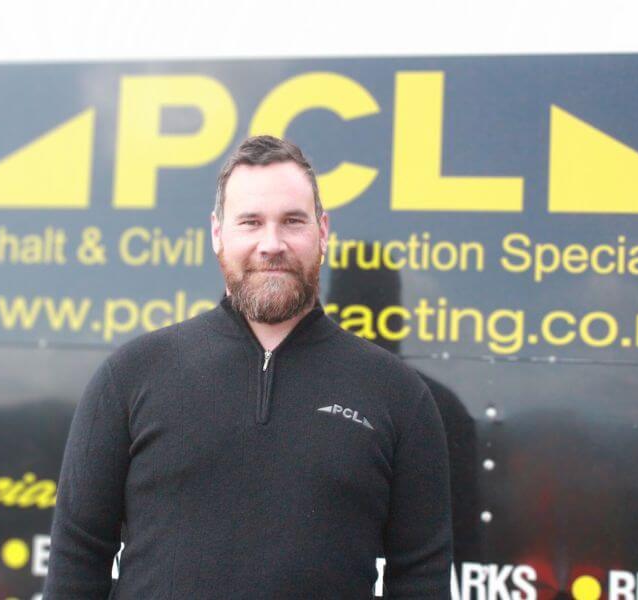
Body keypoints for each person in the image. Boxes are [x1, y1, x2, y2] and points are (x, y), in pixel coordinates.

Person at [42, 135, 453, 599]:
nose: (271, 243)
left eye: (292, 221)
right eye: (251, 222)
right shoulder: (131, 376)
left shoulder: (397, 395)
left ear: (322, 230)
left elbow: (421, 575)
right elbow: (78, 553)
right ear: (218, 233)